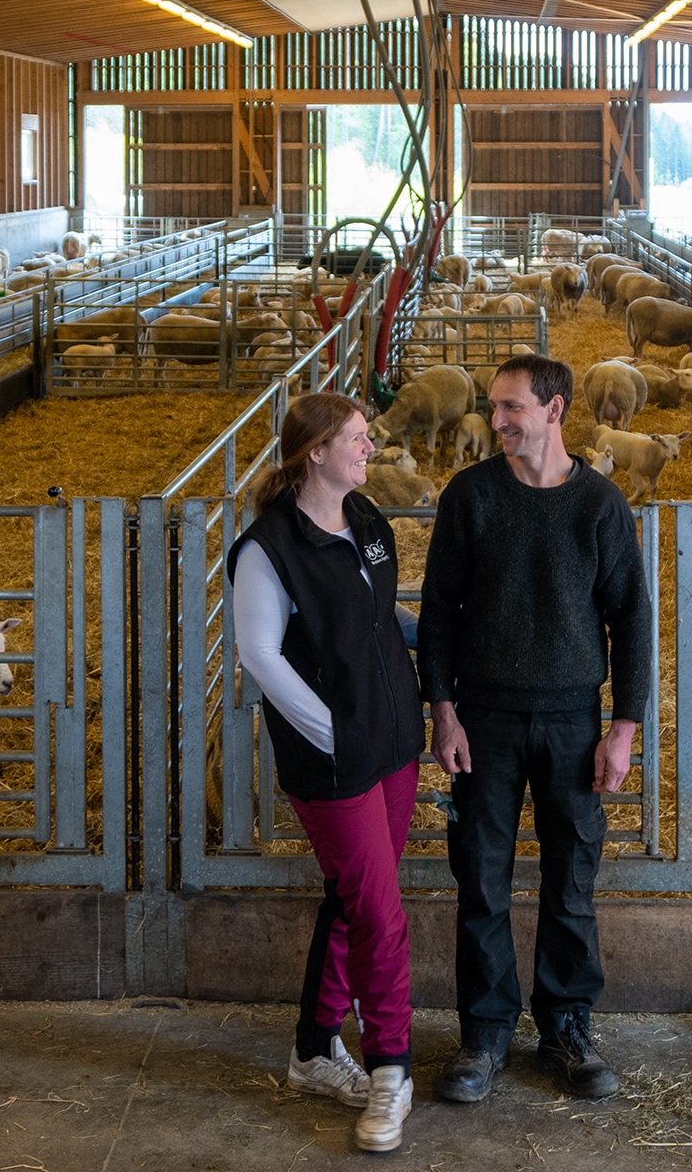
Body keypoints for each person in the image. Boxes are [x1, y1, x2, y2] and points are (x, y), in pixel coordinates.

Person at [418, 353, 653, 1103]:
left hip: (571, 718)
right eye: (493, 407)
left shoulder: (599, 505)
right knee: (480, 876)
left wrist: (624, 726)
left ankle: (566, 1025)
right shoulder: (470, 496)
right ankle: (485, 1033)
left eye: (512, 407)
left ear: (555, 410)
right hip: (482, 717)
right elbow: (439, 610)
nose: (497, 420)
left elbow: (632, 618)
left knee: (572, 876)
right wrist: (443, 708)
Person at [230, 391, 426, 1154]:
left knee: (354, 899)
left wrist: (437, 641)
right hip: (336, 759)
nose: (368, 448)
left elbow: (381, 619)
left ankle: (315, 1048)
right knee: (380, 910)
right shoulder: (268, 549)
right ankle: (391, 1068)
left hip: (393, 743)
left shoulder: (369, 522)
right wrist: (333, 733)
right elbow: (260, 657)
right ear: (315, 451)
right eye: (355, 438)